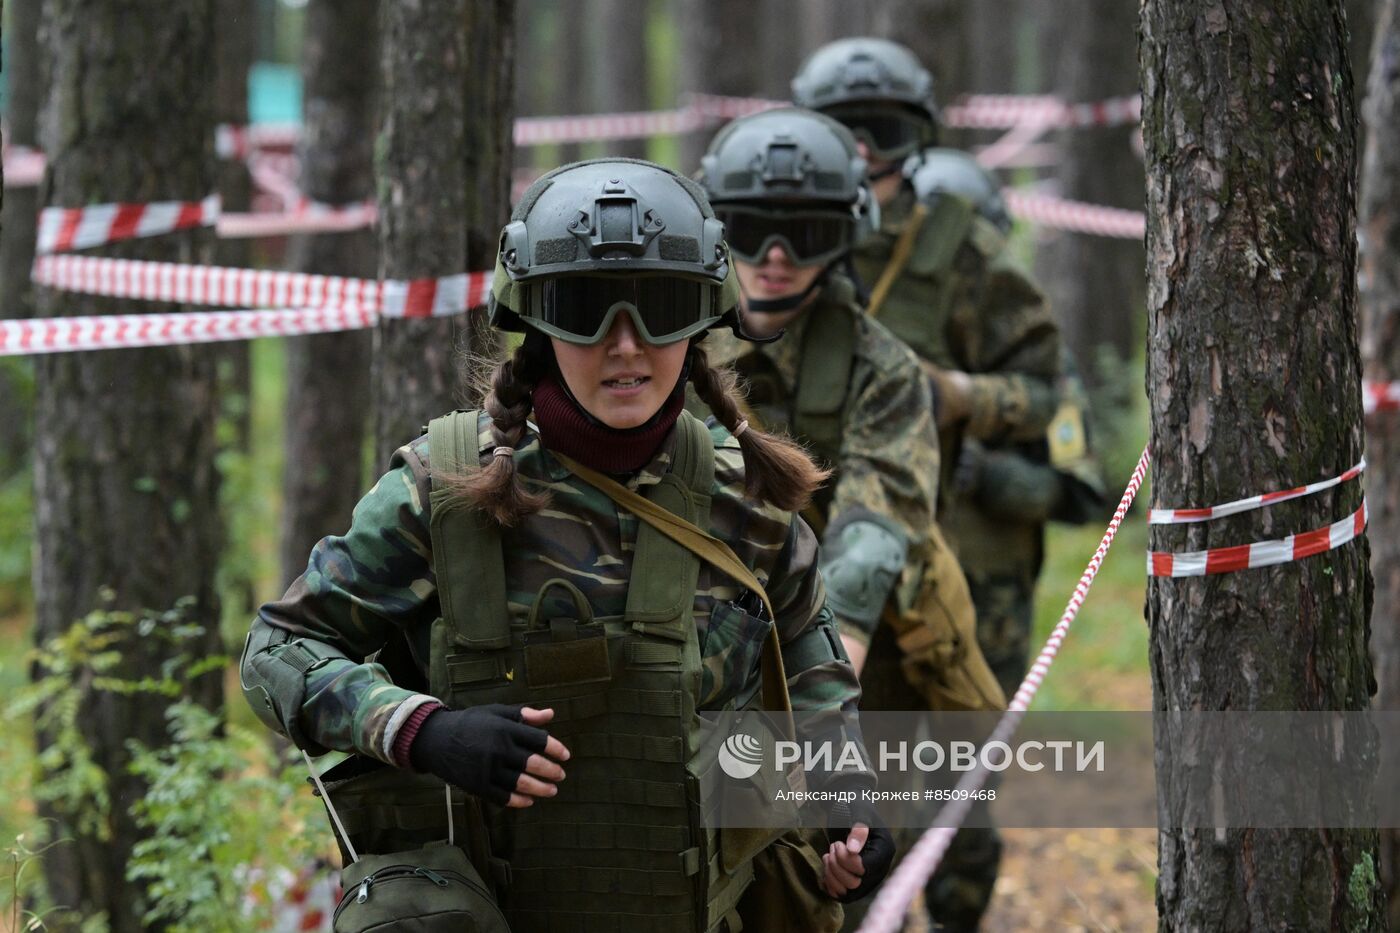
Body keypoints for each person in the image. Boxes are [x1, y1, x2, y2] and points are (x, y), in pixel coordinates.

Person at [240, 158, 895, 933]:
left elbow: (813, 673)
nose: (626, 345)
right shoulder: (446, 487)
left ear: (702, 320)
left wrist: (849, 814)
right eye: (585, 310)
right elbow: (276, 649)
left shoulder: (748, 503)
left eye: (659, 308)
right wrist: (423, 730)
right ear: (538, 326)